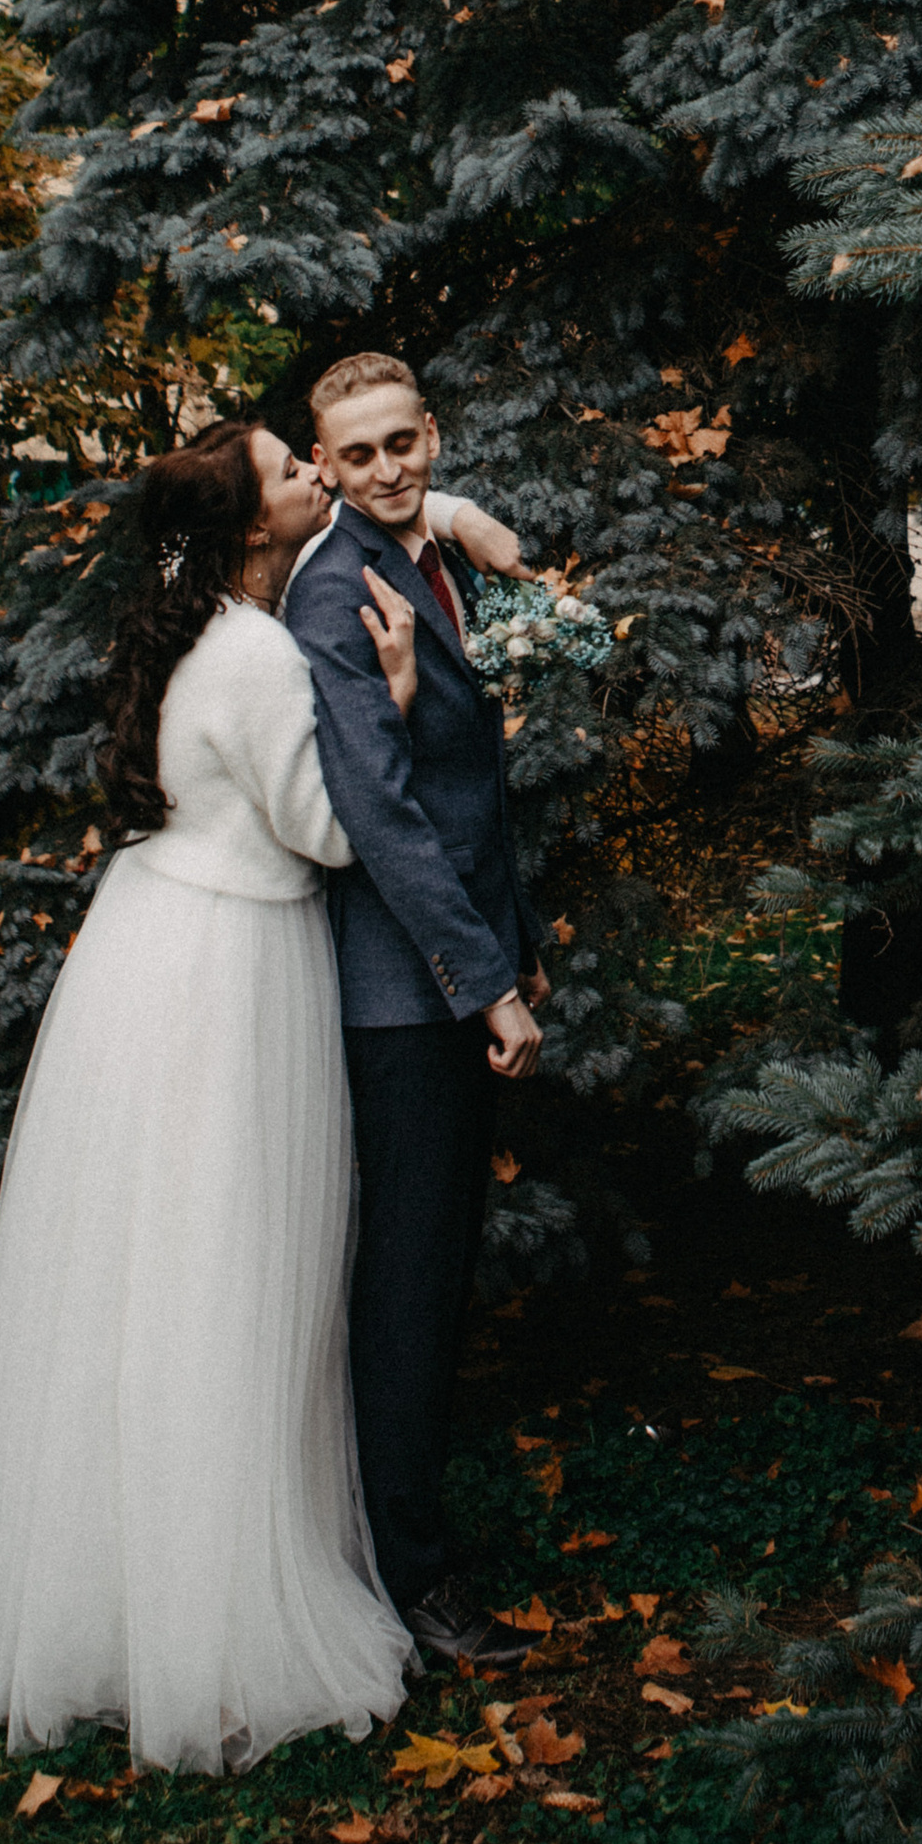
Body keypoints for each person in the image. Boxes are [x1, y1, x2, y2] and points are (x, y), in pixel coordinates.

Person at [0, 418, 437, 1774]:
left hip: (142, 948)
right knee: (226, 1271)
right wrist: (392, 694)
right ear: (254, 523)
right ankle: (205, 1615)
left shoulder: (182, 622)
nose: (323, 473)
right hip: (227, 973)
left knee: (131, 1271)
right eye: (295, 468)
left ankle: (99, 1582)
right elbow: (323, 830)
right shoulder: (259, 651)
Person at [285, 351, 550, 1675]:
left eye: (405, 443)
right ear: (324, 466)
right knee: (407, 1284)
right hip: (401, 999)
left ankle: (405, 1537)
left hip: (465, 962)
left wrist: (523, 943)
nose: (389, 469)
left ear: (432, 436)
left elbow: (476, 787)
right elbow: (383, 822)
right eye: (360, 454)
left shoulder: (433, 554)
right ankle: (414, 1578)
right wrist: (482, 983)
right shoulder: (335, 595)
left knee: (437, 1274)